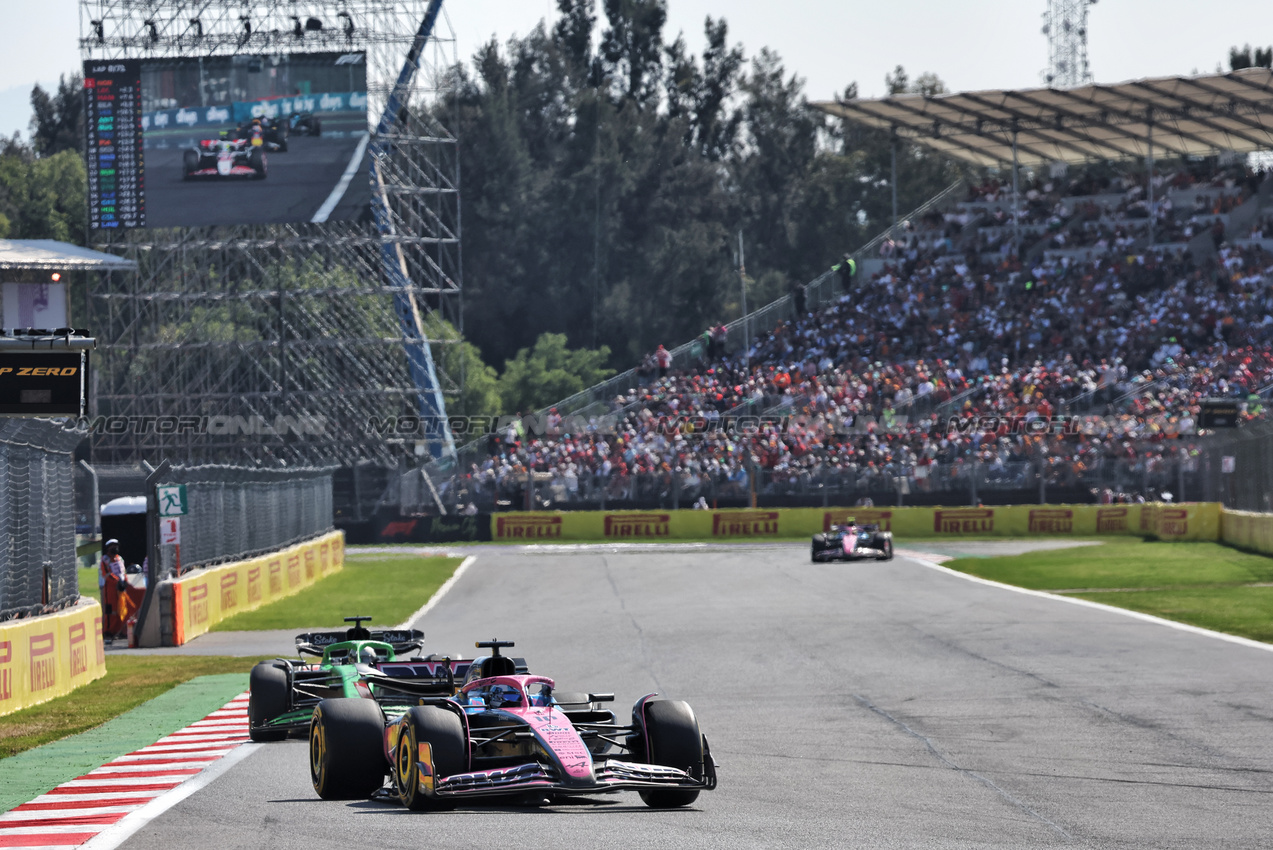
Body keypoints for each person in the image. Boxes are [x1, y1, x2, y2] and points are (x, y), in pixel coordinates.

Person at [99, 539, 126, 639]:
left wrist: (123, 582)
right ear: (108, 548)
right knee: (110, 610)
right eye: (112, 546)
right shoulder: (104, 560)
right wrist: (117, 581)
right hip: (109, 588)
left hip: (120, 587)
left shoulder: (119, 559)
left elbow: (123, 571)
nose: (115, 548)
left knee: (121, 609)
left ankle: (120, 631)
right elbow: (106, 574)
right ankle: (108, 631)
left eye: (116, 546)